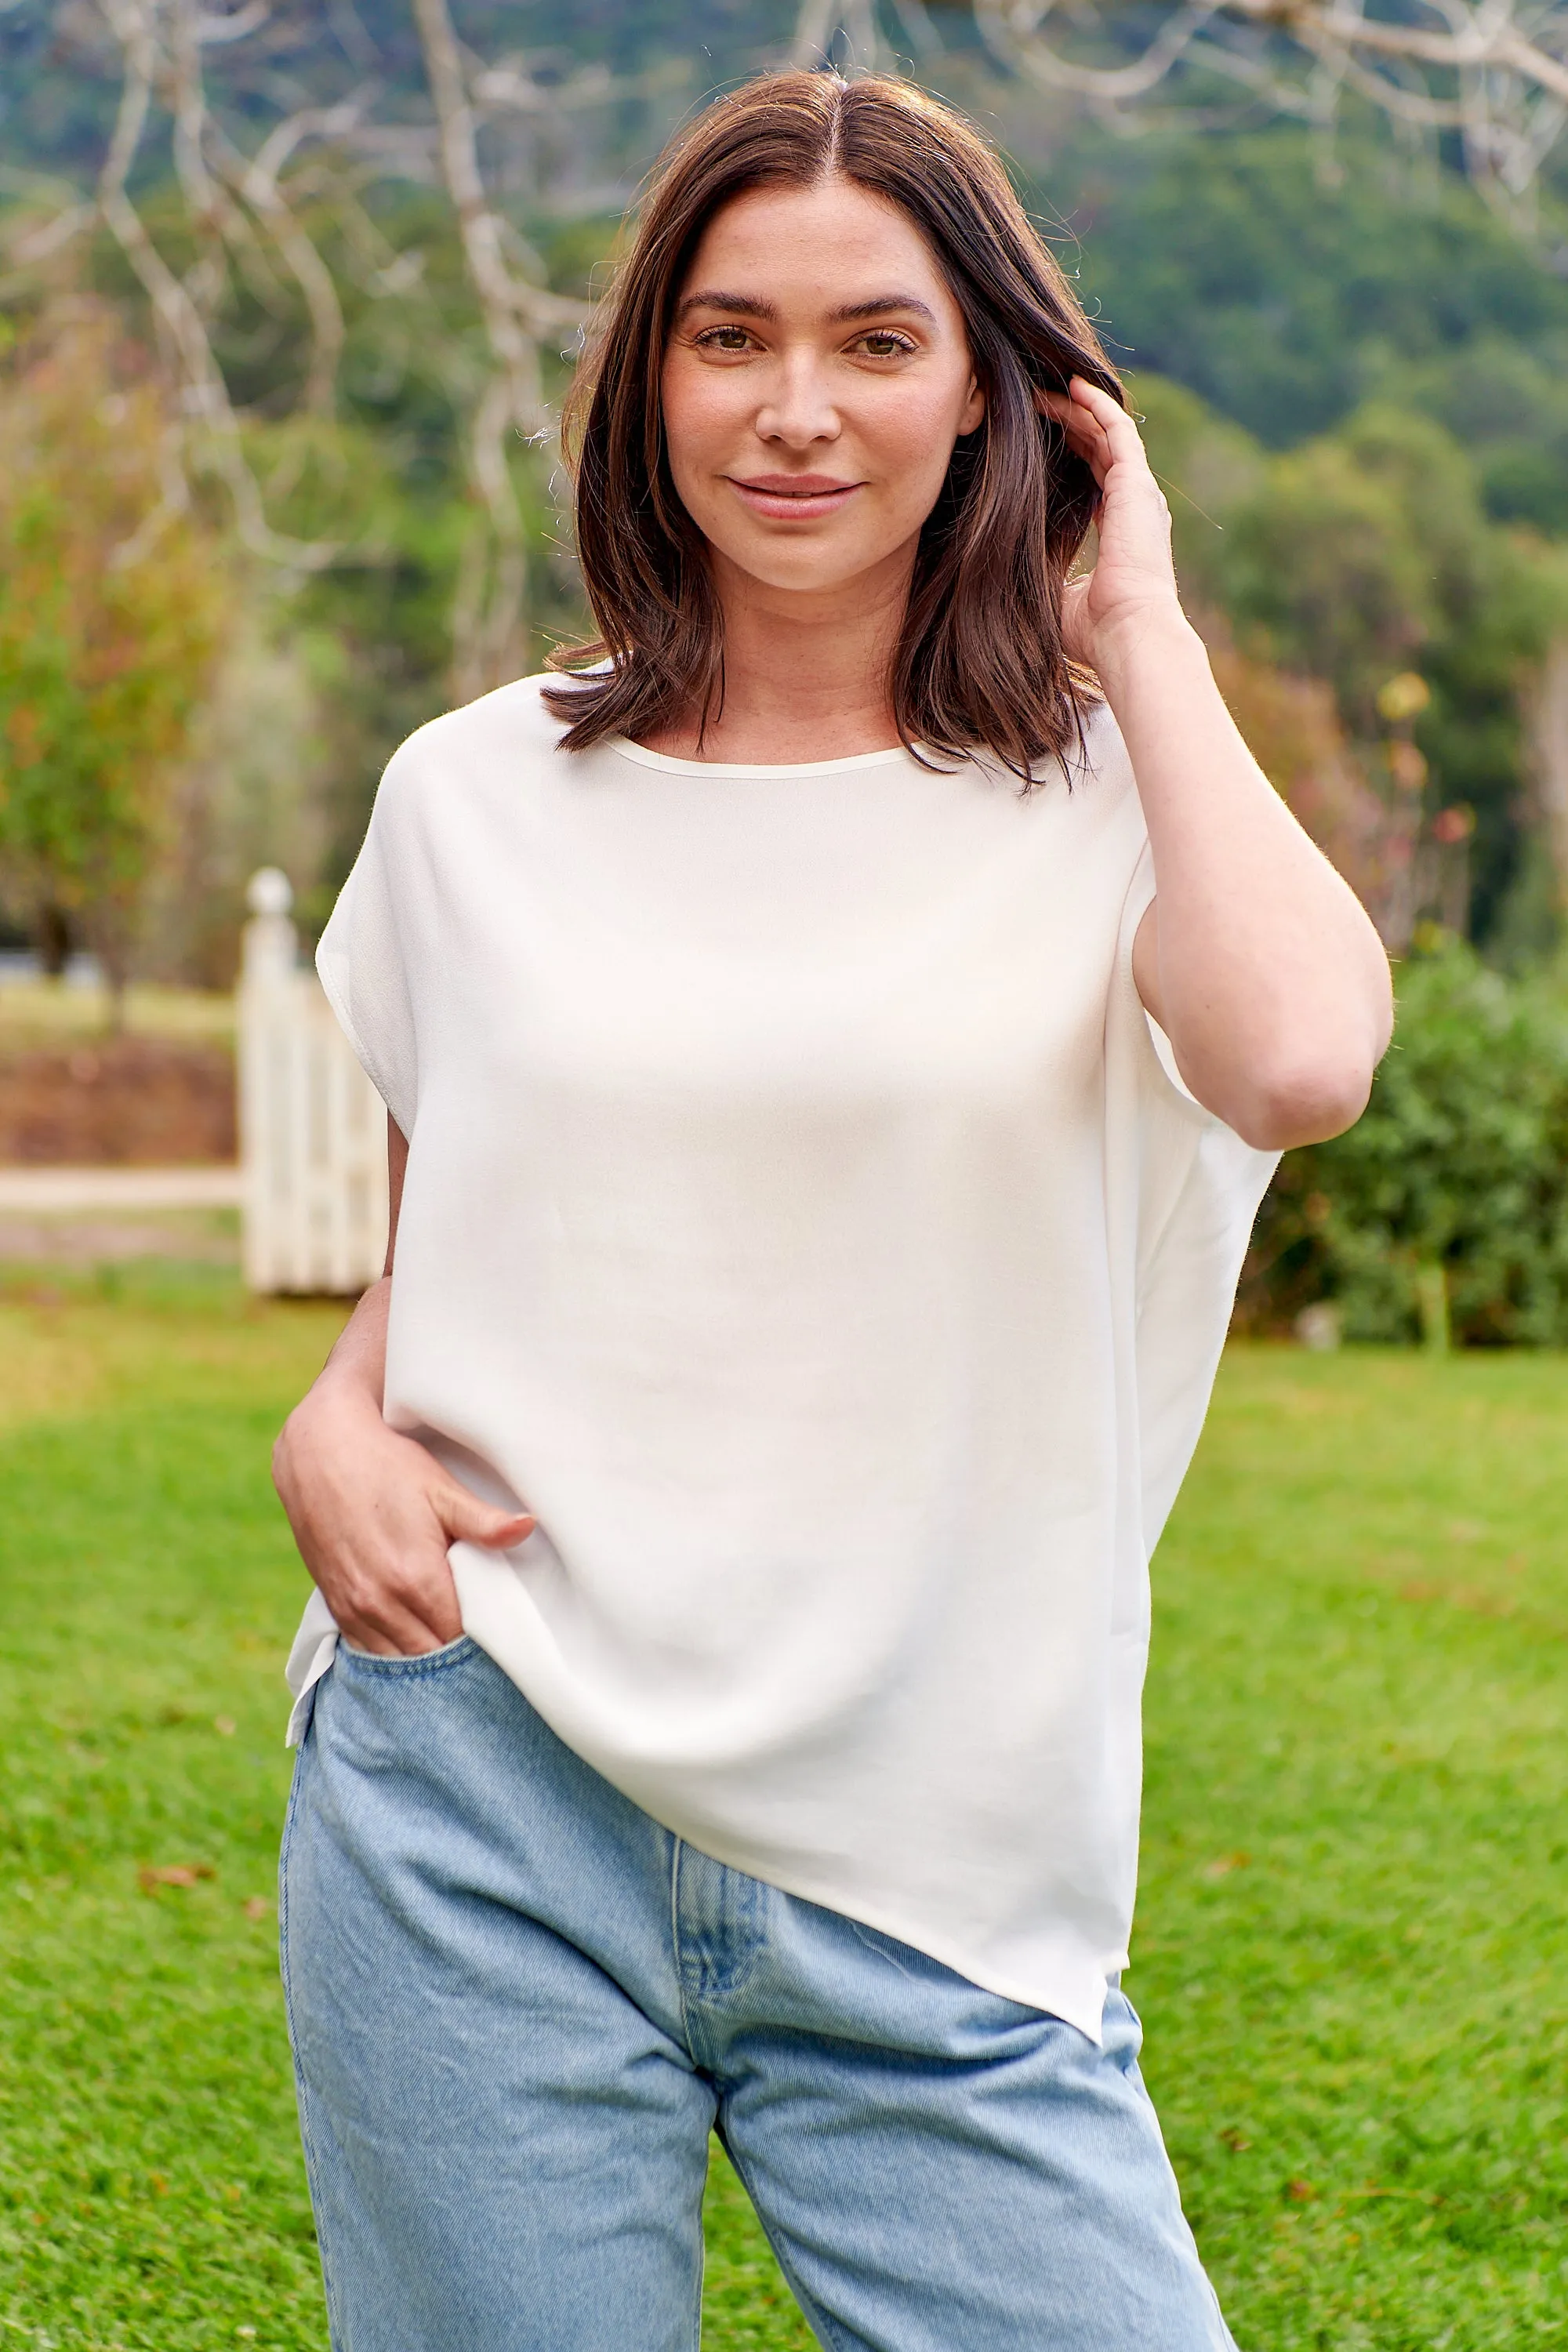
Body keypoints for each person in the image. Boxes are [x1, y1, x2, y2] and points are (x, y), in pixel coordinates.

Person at [272, 68, 1391, 2352]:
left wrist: (1139, 619)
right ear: (646, 376)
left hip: (945, 1861)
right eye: (729, 335)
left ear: (1002, 392)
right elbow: (459, 1226)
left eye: (879, 340)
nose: (796, 411)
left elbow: (1297, 1062)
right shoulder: (472, 795)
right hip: (479, 1788)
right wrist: (335, 1415)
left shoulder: (1112, 796)